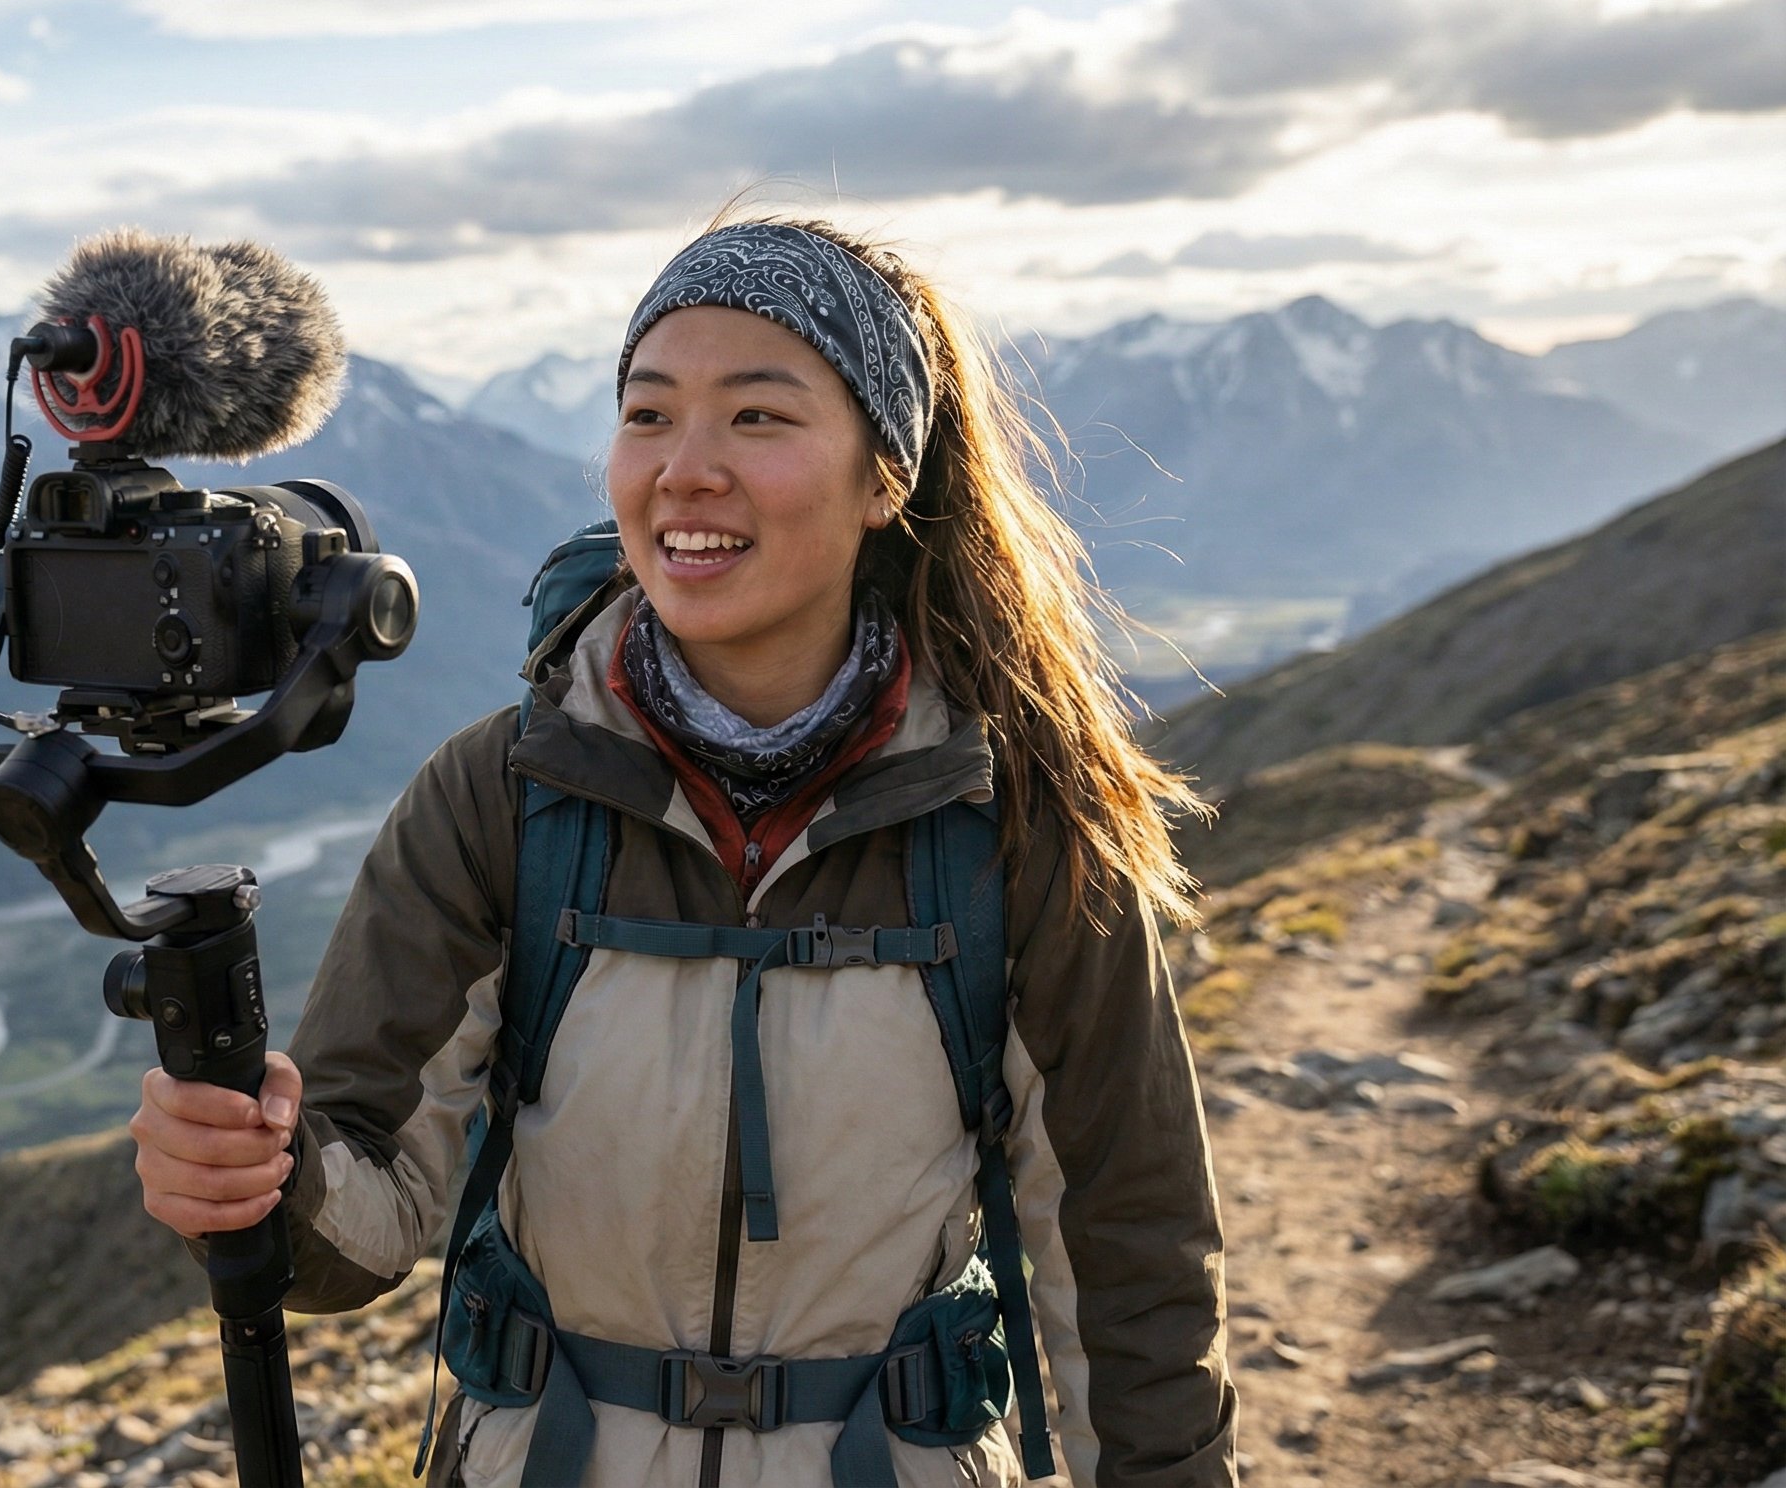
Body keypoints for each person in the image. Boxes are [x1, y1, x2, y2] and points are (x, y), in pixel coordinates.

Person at [129, 217, 1238, 1487]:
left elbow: (1133, 1261)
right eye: (647, 416)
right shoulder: (501, 796)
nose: (683, 471)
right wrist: (260, 1175)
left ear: (885, 478)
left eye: (756, 418)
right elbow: (358, 1229)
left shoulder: (1020, 822)